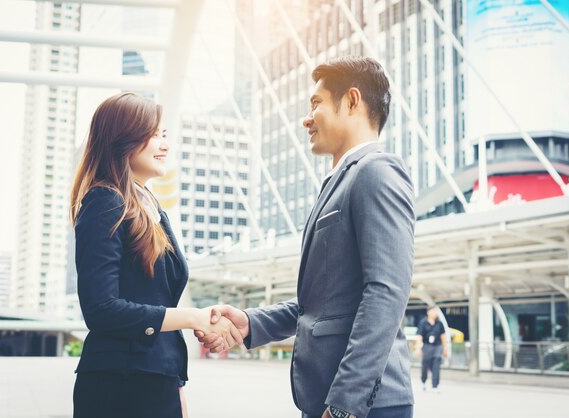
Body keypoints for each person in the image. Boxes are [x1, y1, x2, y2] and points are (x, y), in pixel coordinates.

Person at [196, 57, 415, 418]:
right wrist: (250, 322)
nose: (306, 118)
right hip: (326, 399)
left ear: (352, 101)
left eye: (316, 104)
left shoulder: (377, 172)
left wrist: (345, 404)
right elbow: (322, 303)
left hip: (361, 404)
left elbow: (386, 292)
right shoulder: (343, 180)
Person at [70, 92, 242, 418]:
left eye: (164, 135)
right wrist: (192, 317)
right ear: (121, 139)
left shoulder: (149, 204)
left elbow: (155, 298)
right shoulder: (105, 202)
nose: (164, 145)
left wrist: (175, 385)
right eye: (152, 135)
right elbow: (101, 309)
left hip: (156, 380)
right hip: (118, 385)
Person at [415, 305, 448, 392]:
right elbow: (420, 336)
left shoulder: (440, 324)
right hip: (426, 346)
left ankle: (435, 386)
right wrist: (418, 348)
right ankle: (424, 381)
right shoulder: (423, 323)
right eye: (434, 311)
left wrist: (445, 348)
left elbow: (443, 337)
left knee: (436, 365)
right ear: (429, 312)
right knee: (425, 365)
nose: (435, 313)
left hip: (437, 346)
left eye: (436, 311)